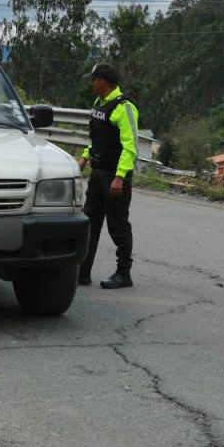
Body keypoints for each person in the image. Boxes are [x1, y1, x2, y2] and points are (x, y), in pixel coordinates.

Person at [78, 62, 139, 289]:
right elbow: (96, 137)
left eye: (93, 79)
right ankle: (82, 271)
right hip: (98, 172)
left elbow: (130, 146)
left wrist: (120, 177)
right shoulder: (99, 104)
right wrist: (85, 157)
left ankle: (124, 273)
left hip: (115, 175)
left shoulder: (125, 108)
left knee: (117, 224)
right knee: (89, 222)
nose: (92, 83)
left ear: (102, 81)